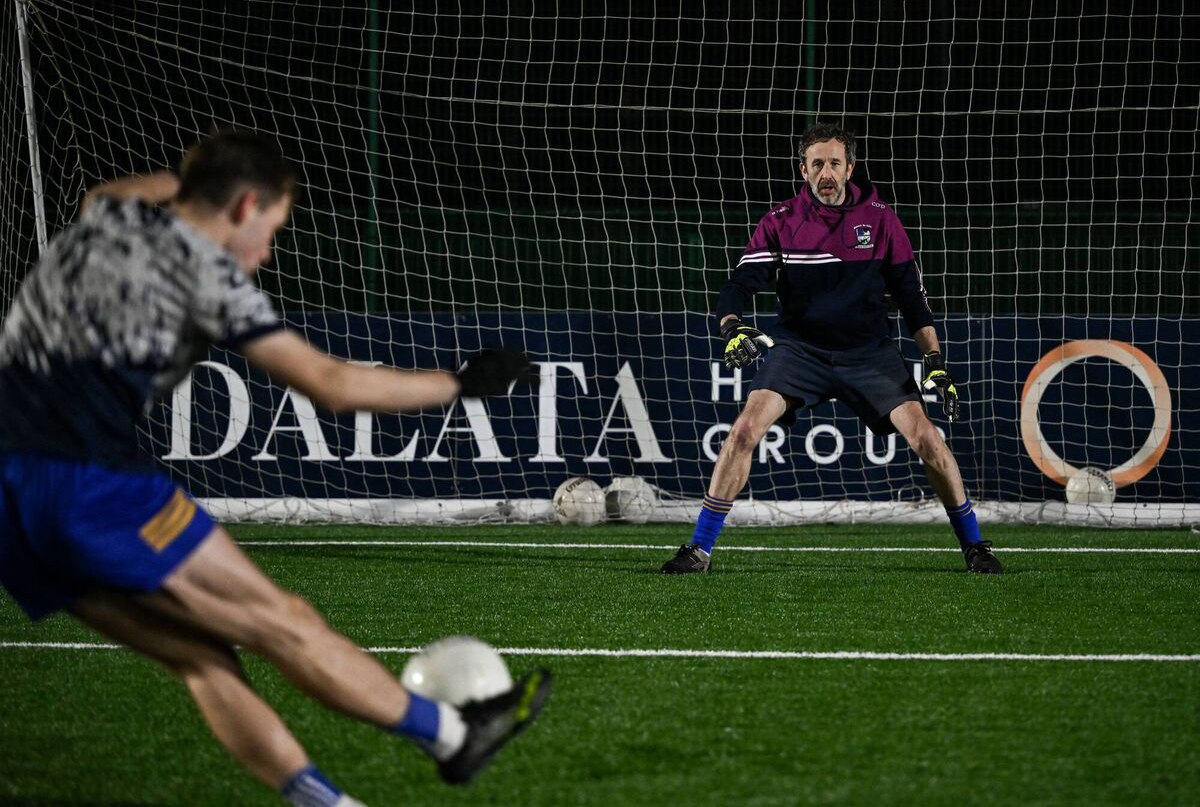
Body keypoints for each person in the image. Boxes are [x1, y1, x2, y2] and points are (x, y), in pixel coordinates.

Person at [0, 130, 552, 806]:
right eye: (271, 228)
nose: (265, 253)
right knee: (282, 622)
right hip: (82, 477)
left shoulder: (111, 218)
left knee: (201, 656)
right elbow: (331, 384)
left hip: (7, 496)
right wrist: (463, 384)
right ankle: (451, 733)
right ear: (243, 206)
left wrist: (201, 183)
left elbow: (113, 189)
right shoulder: (207, 273)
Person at [661, 122, 1003, 576]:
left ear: (850, 168)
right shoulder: (780, 222)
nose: (827, 172)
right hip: (799, 351)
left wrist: (934, 361)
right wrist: (732, 326)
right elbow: (740, 284)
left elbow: (911, 297)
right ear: (803, 170)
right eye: (817, 163)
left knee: (928, 440)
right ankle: (699, 549)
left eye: (835, 163)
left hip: (869, 354)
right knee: (743, 429)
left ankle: (975, 546)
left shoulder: (881, 220)